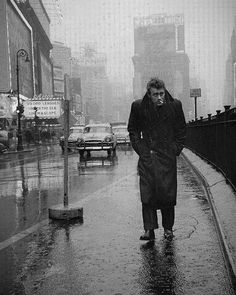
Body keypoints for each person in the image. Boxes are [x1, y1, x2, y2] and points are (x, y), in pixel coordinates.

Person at [127, 77, 186, 241]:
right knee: (148, 194)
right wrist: (141, 150)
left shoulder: (174, 105)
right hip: (148, 157)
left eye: (161, 94)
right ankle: (149, 229)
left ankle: (168, 229)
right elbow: (132, 130)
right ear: (149, 94)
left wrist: (175, 149)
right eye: (155, 95)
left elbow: (181, 130)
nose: (160, 97)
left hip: (167, 157)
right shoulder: (138, 106)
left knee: (167, 194)